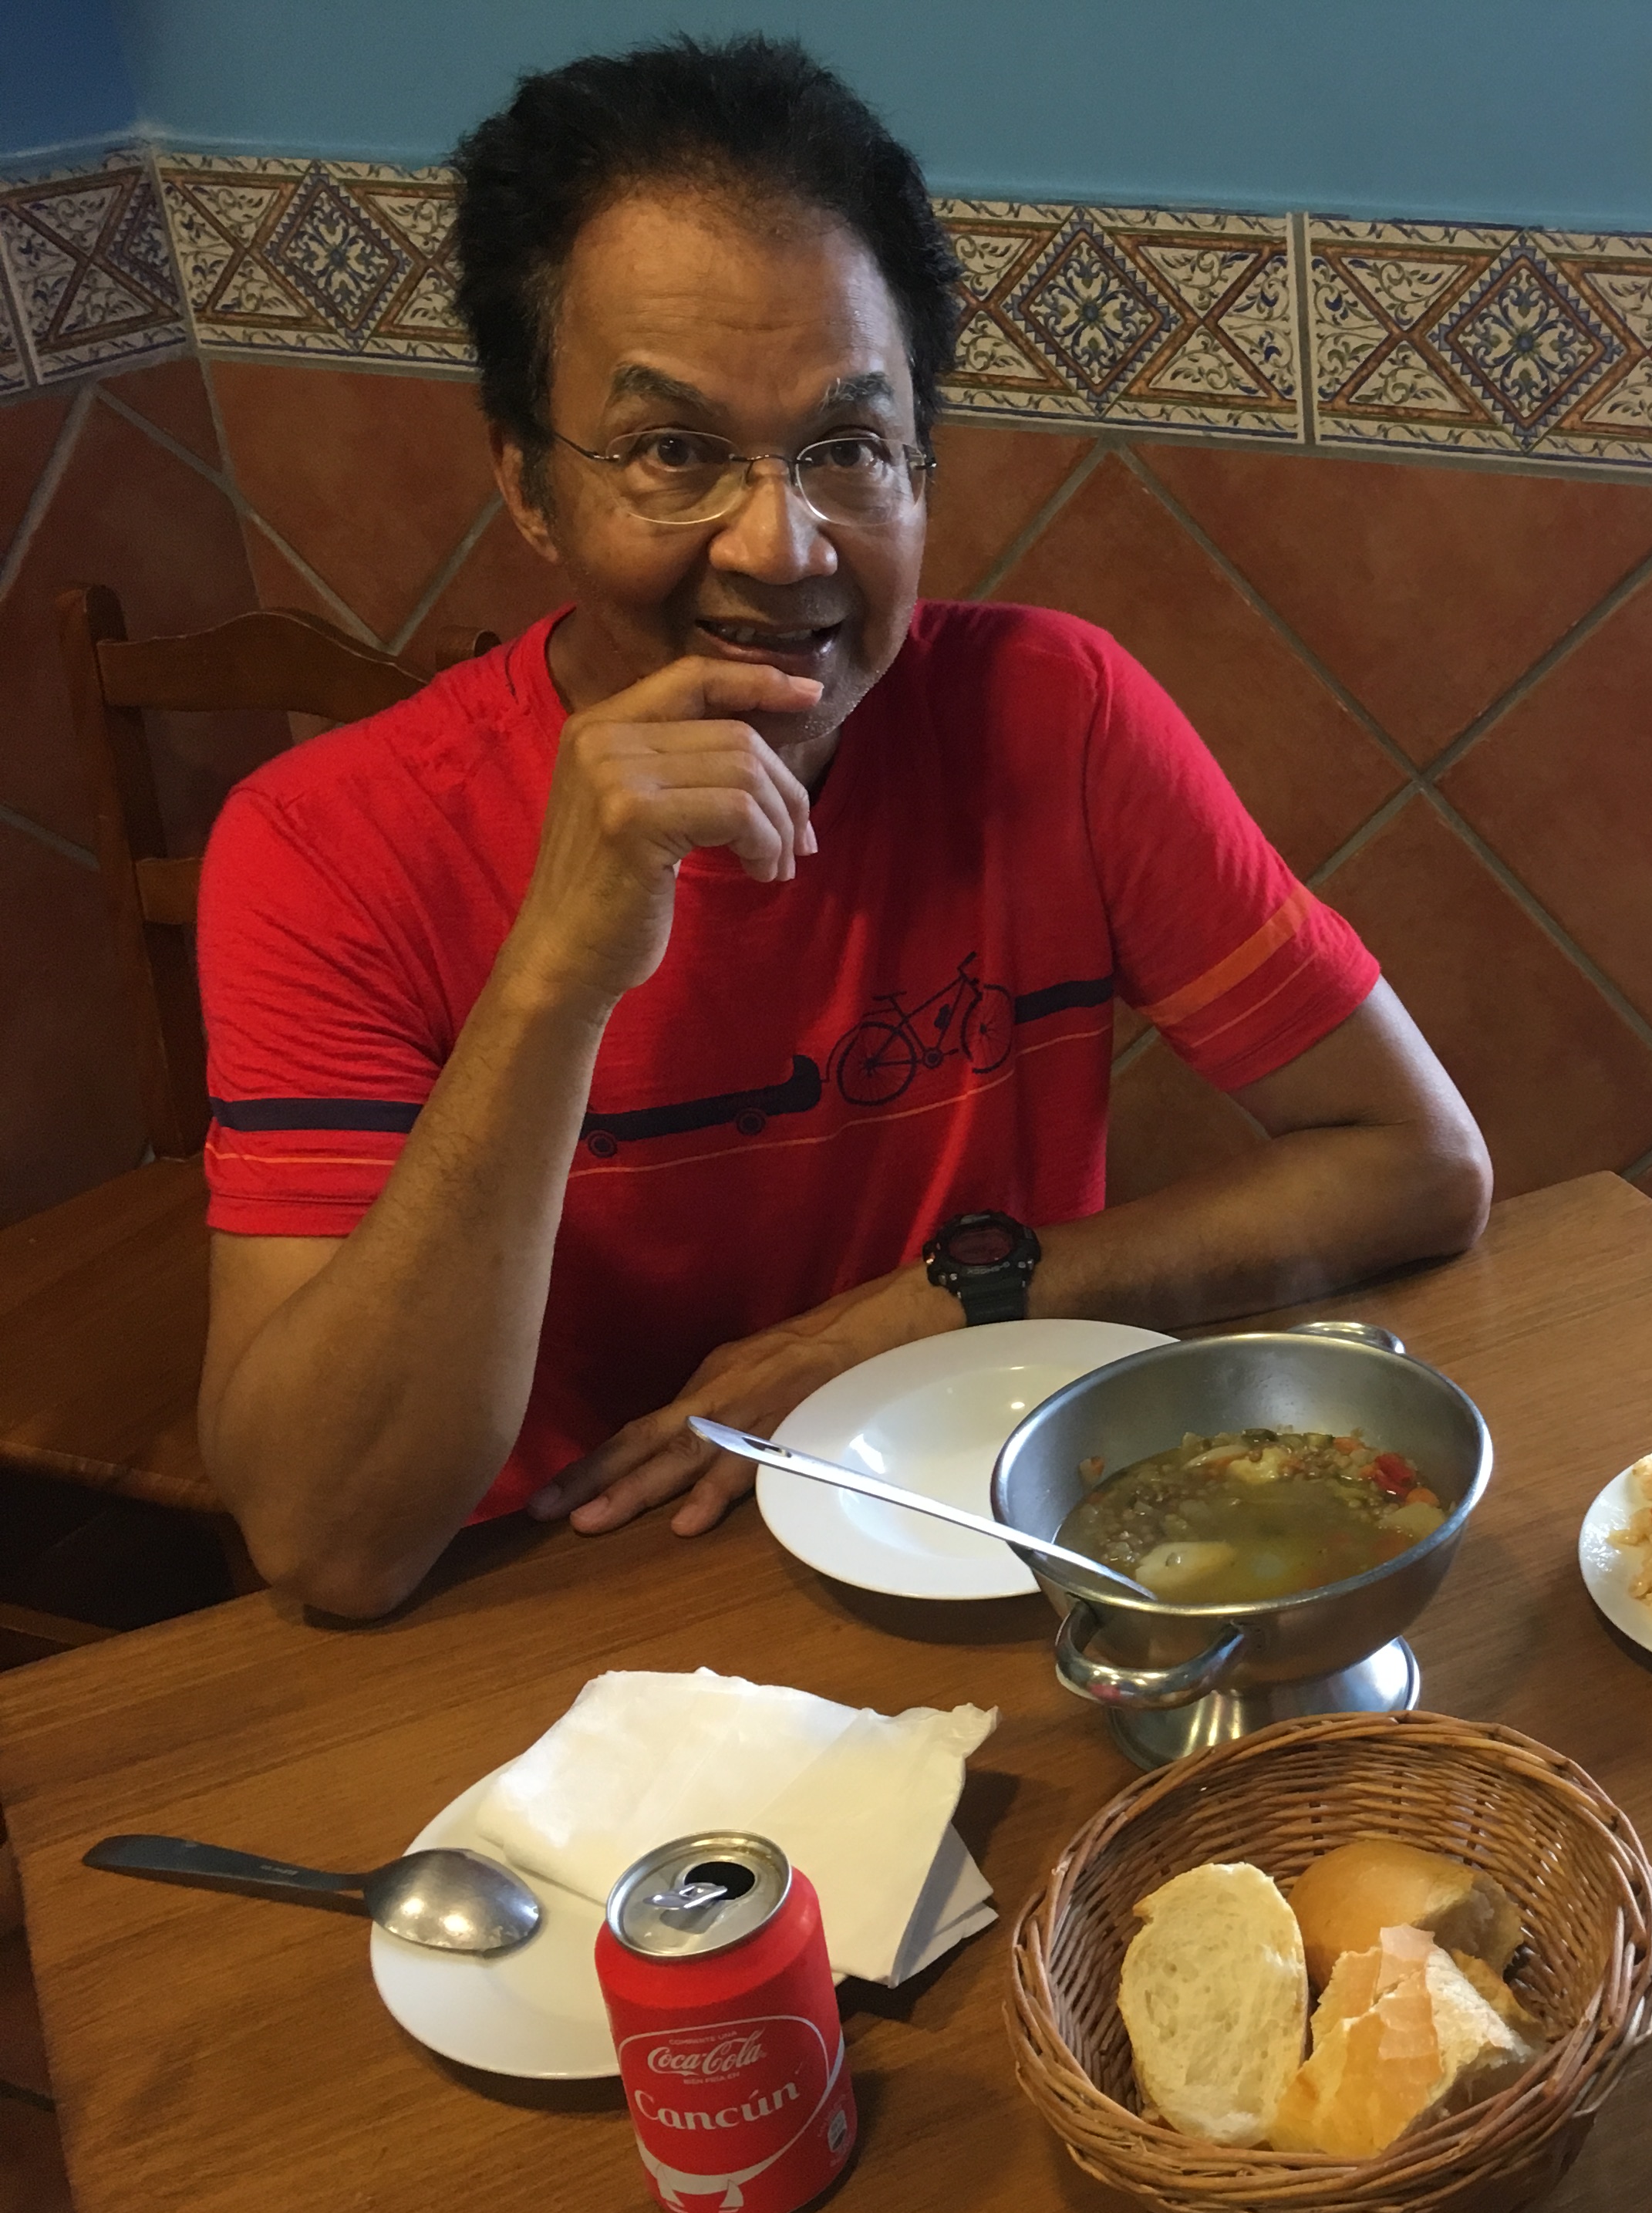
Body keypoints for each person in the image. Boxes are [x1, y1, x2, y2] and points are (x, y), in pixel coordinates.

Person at [190, 37, 1490, 1619]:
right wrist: (554, 980)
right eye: (674, 452)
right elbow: (330, 1542)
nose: (780, 544)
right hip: (561, 1608)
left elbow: (1418, 1166)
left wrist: (926, 1310)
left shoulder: (1056, 717)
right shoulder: (322, 844)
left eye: (848, 449)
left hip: (992, 1560)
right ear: (527, 484)